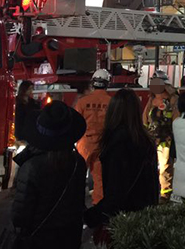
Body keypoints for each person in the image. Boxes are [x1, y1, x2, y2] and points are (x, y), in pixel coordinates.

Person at [12, 101, 87, 248]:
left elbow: (20, 216)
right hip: (69, 238)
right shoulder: (78, 163)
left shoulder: (31, 167)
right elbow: (78, 204)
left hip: (38, 240)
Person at [85, 89, 158, 237]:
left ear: (113, 112)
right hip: (144, 218)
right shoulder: (146, 141)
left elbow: (115, 192)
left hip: (122, 222)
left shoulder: (116, 144)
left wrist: (93, 216)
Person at [74, 69, 111, 204]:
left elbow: (76, 123)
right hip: (103, 143)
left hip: (85, 143)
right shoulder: (111, 102)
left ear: (93, 83)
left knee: (77, 176)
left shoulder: (83, 102)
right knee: (100, 178)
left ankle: (76, 204)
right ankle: (98, 207)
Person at [143, 77, 178, 201]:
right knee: (155, 167)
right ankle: (157, 192)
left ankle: (165, 195)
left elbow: (175, 118)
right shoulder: (152, 99)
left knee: (165, 168)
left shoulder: (172, 100)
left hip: (165, 140)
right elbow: (145, 118)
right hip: (153, 139)